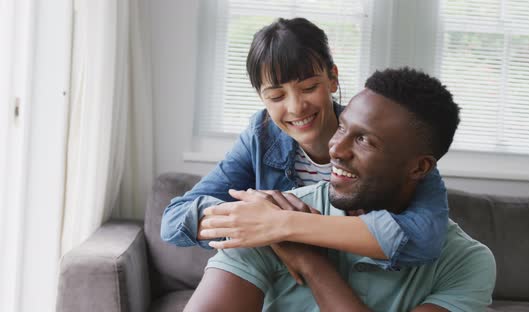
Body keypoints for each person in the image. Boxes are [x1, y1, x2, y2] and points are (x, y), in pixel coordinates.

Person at [184, 68, 496, 312]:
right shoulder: (268, 217)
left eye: (365, 140)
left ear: (419, 168)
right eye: (343, 127)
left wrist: (311, 263)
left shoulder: (466, 262)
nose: (336, 149)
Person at [161, 17, 448, 272]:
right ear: (262, 98)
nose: (296, 107)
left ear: (333, 78)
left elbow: (423, 239)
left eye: (309, 88)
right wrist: (262, 227)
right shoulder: (261, 137)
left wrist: (282, 225)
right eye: (276, 97)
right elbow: (174, 220)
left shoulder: (388, 139)